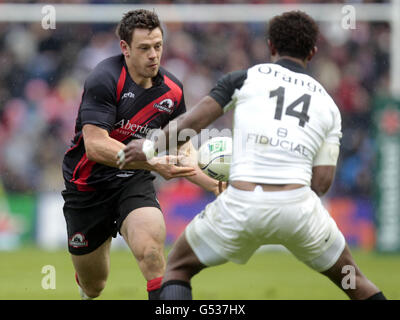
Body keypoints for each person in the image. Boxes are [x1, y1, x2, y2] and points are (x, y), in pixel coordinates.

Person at [119, 11, 386, 300]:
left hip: (242, 203)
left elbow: (191, 123)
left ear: (270, 46)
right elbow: (321, 183)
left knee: (178, 268)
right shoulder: (328, 105)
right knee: (354, 281)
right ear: (313, 51)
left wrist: (149, 147)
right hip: (298, 207)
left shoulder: (245, 79)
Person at [61, 9, 223, 300]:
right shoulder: (105, 78)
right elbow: (96, 146)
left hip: (132, 180)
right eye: (144, 48)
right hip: (87, 186)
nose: (154, 55)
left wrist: (215, 184)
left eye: (158, 46)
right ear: (125, 48)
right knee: (94, 285)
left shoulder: (172, 91)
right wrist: (153, 162)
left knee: (151, 253)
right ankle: (86, 286)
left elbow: (181, 146)